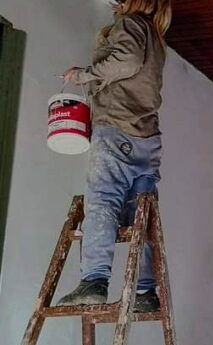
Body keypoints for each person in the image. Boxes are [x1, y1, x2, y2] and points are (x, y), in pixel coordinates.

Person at [56, 0, 172, 313]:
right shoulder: (156, 38)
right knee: (140, 217)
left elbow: (128, 60)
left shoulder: (131, 23)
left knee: (102, 201)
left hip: (117, 130)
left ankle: (94, 280)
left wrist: (86, 74)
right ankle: (145, 290)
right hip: (146, 139)